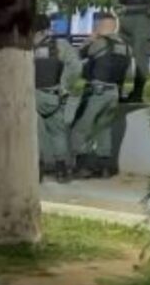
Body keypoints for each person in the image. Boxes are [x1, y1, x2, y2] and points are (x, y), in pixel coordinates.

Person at [71, 12, 132, 179]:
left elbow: (76, 56)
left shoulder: (99, 43)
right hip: (114, 93)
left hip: (96, 92)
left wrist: (88, 40)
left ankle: (84, 167)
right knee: (104, 130)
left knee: (81, 129)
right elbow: (129, 73)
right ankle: (105, 168)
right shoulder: (126, 47)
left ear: (100, 26)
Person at [33, 14, 81, 183]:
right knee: (58, 134)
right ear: (48, 28)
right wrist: (63, 86)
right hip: (53, 96)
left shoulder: (25, 48)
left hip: (31, 96)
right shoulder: (61, 45)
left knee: (33, 135)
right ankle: (61, 171)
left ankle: (36, 171)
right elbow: (76, 67)